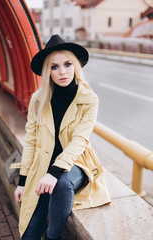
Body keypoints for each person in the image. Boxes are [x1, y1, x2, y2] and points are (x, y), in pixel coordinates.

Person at [14, 34, 110, 240]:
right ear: (47, 71)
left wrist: (55, 172)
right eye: (54, 66)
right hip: (42, 166)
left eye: (67, 64)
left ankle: (53, 236)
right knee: (29, 233)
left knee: (61, 183)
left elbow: (80, 141)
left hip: (76, 162)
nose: (62, 72)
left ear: (75, 65)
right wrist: (22, 181)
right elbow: (31, 141)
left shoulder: (88, 99)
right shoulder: (38, 100)